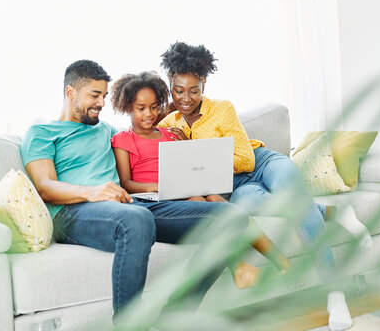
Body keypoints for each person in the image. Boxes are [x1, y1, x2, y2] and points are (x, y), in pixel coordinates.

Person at [157, 42, 368, 331]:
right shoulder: (169, 125)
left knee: (294, 202)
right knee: (244, 211)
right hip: (236, 189)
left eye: (194, 89)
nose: (186, 97)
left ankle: (334, 293)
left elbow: (244, 159)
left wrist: (204, 157)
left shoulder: (222, 108)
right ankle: (331, 212)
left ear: (204, 84)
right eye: (179, 89)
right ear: (170, 85)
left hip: (263, 163)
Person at [19, 59, 251, 319]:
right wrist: (93, 192)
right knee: (137, 218)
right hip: (73, 212)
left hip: (127, 206)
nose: (101, 103)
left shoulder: (106, 130)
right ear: (70, 92)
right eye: (94, 95)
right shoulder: (42, 132)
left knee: (232, 216)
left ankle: (174, 317)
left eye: (104, 96)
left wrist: (170, 124)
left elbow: (143, 127)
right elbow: (45, 187)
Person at [110, 70, 292, 276]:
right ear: (127, 107)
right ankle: (238, 267)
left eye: (153, 107)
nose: (149, 114)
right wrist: (156, 186)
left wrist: (186, 144)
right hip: (155, 196)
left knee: (217, 200)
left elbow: (189, 162)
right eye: (141, 108)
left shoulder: (168, 132)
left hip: (182, 188)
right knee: (201, 201)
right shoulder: (123, 139)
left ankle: (280, 261)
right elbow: (125, 182)